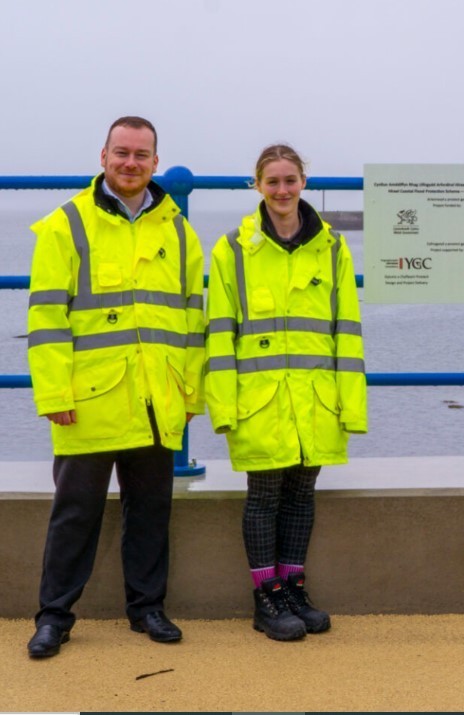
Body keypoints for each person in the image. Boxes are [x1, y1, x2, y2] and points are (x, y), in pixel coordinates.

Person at [25, 116, 206, 658]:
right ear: (102, 156)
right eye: (122, 152)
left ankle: (147, 607)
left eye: (142, 155)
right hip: (88, 401)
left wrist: (190, 394)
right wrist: (55, 396)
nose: (131, 163)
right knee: (74, 514)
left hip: (156, 398)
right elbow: (47, 320)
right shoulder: (66, 225)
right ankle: (54, 616)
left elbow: (193, 319)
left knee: (150, 510)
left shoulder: (177, 228)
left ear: (156, 161)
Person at [205, 144, 367, 641]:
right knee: (264, 496)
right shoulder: (233, 248)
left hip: (316, 396)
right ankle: (266, 597)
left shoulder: (333, 247)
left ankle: (294, 586)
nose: (282, 190)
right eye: (272, 182)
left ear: (304, 182)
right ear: (257, 186)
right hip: (259, 399)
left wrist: (351, 406)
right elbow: (219, 332)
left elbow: (348, 329)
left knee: (302, 494)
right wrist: (223, 407)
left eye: (290, 180)